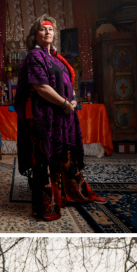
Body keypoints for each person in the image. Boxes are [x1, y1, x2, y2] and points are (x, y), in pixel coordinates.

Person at [15, 15, 106, 221]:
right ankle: (47, 204)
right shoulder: (34, 57)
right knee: (45, 158)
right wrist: (65, 104)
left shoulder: (57, 58)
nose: (47, 32)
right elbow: (41, 87)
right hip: (44, 117)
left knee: (65, 155)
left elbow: (68, 85)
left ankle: (70, 193)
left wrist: (73, 99)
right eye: (42, 29)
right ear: (34, 35)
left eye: (50, 29)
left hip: (61, 115)